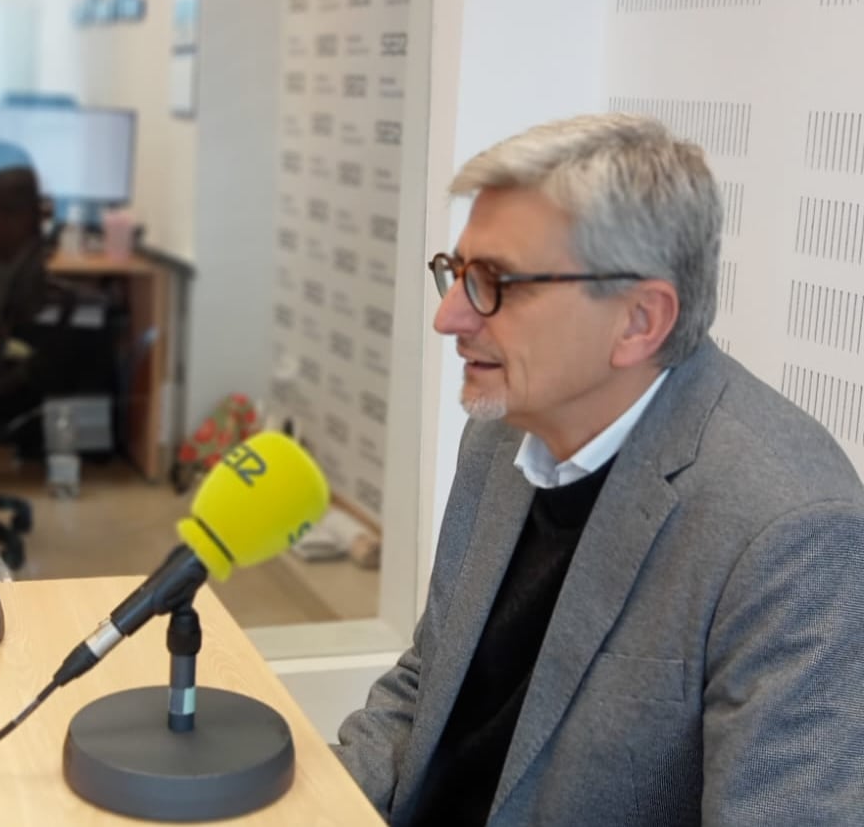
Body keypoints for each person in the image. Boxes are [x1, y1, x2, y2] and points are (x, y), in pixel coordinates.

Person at [335, 113, 864, 824]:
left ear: (640, 320)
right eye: (456, 274)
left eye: (494, 282)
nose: (450, 317)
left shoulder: (794, 533)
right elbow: (429, 682)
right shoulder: (502, 428)